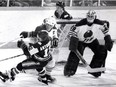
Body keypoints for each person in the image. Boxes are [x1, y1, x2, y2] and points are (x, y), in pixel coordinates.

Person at [64, 10, 113, 78]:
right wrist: (73, 41)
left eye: (92, 16)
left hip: (93, 40)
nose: (90, 18)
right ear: (86, 16)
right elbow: (72, 32)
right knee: (75, 54)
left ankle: (95, 70)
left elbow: (105, 31)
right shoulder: (80, 24)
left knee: (102, 51)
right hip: (80, 41)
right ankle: (69, 70)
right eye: (88, 16)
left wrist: (108, 39)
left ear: (95, 17)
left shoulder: (99, 23)